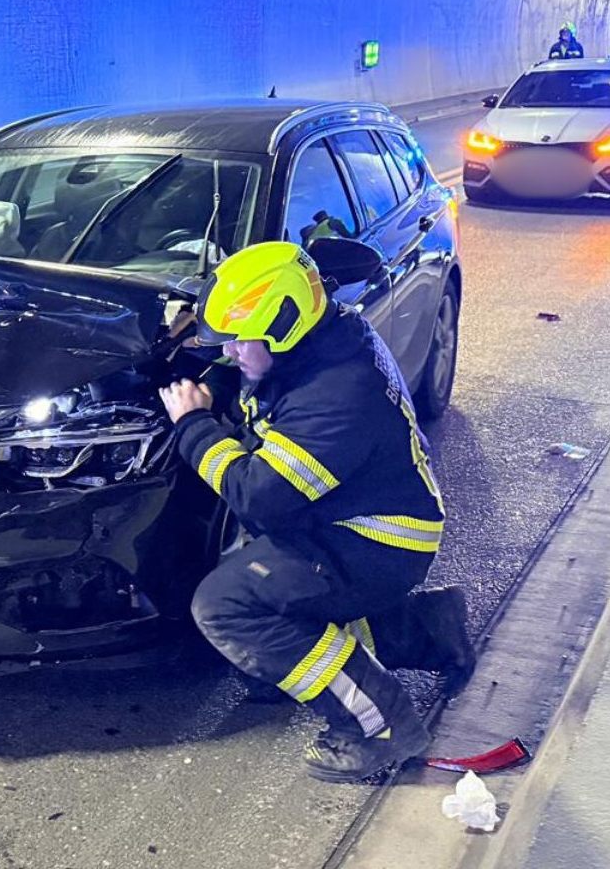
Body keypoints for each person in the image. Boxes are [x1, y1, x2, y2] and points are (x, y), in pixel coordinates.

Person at [159, 241, 474, 783]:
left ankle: (379, 726)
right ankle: (426, 630)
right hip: (361, 523)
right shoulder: (319, 339)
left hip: (379, 542)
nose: (230, 353)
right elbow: (255, 380)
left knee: (228, 605)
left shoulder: (336, 394)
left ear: (282, 327)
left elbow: (258, 496)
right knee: (267, 603)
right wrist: (214, 373)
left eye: (238, 343)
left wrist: (194, 426)